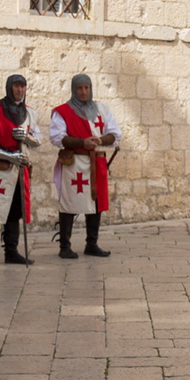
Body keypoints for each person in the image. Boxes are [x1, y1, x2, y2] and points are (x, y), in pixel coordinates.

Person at [50, 74, 121, 259]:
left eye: (87, 88)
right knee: (69, 203)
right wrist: (82, 142)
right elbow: (58, 137)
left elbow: (114, 133)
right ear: (74, 90)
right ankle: (64, 246)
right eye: (80, 88)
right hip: (74, 162)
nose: (83, 92)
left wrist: (100, 140)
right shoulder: (62, 112)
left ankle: (92, 244)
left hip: (96, 161)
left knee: (96, 201)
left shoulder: (102, 109)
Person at [0, 74, 41, 269]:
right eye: (16, 86)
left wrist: (27, 137)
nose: (19, 90)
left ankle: (11, 252)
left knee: (14, 210)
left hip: (19, 170)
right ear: (9, 87)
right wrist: (9, 156)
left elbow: (38, 139)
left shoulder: (30, 113)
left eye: (22, 86)